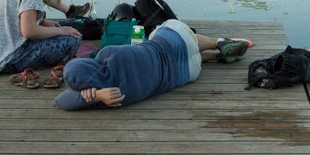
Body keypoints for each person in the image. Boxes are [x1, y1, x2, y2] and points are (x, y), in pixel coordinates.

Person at [54, 20, 249, 110]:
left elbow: (61, 101)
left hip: (186, 74)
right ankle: (219, 42)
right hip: (176, 43)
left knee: (181, 59)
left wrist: (95, 95)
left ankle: (214, 57)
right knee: (164, 31)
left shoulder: (111, 97)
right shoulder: (108, 53)